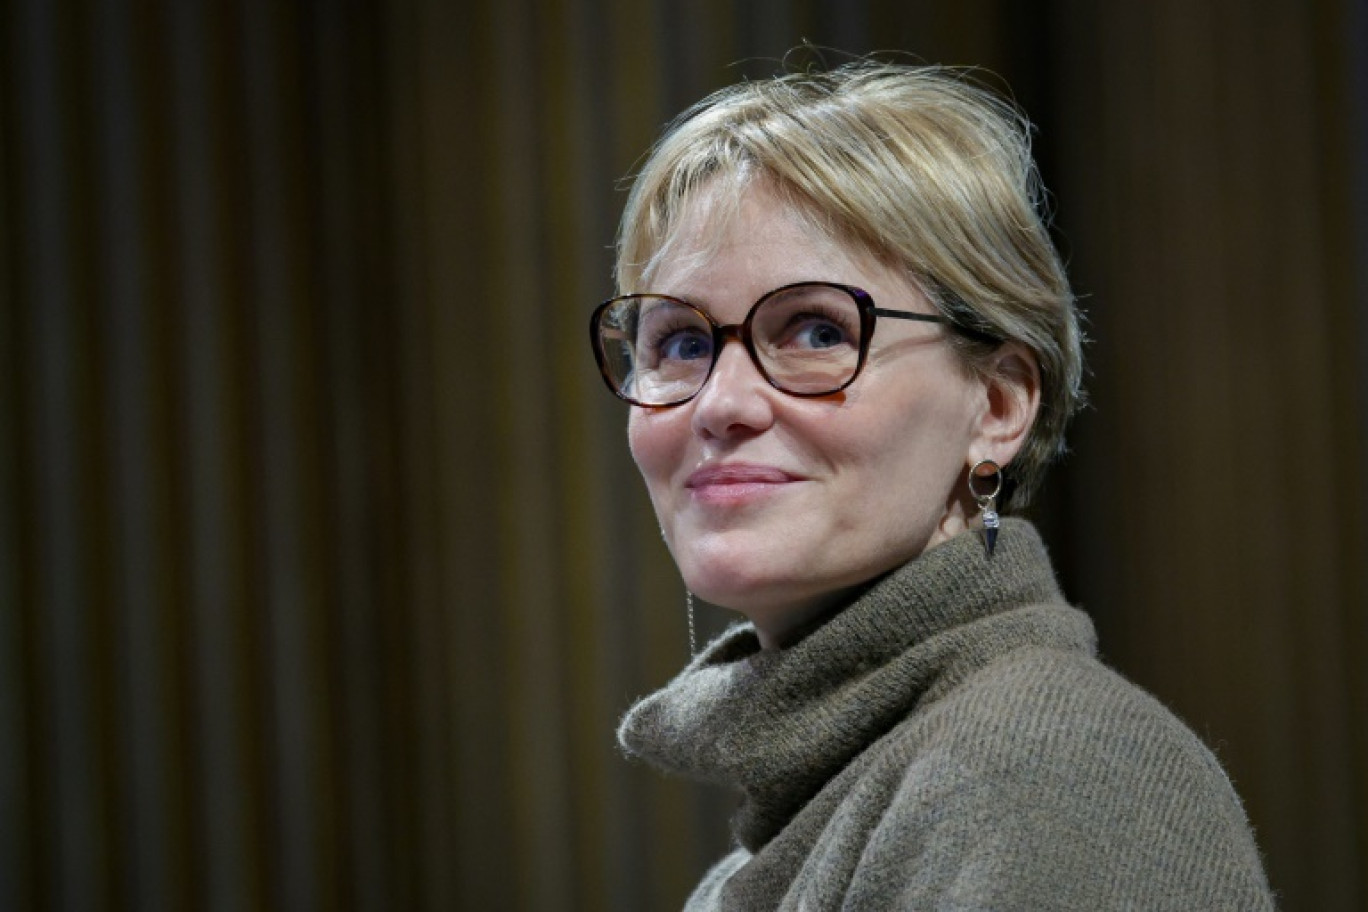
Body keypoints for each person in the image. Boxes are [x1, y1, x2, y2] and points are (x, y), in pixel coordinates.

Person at [589, 62, 1274, 910]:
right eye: (682, 343)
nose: (721, 402)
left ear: (997, 405)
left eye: (815, 329)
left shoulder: (1048, 772)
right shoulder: (787, 846)